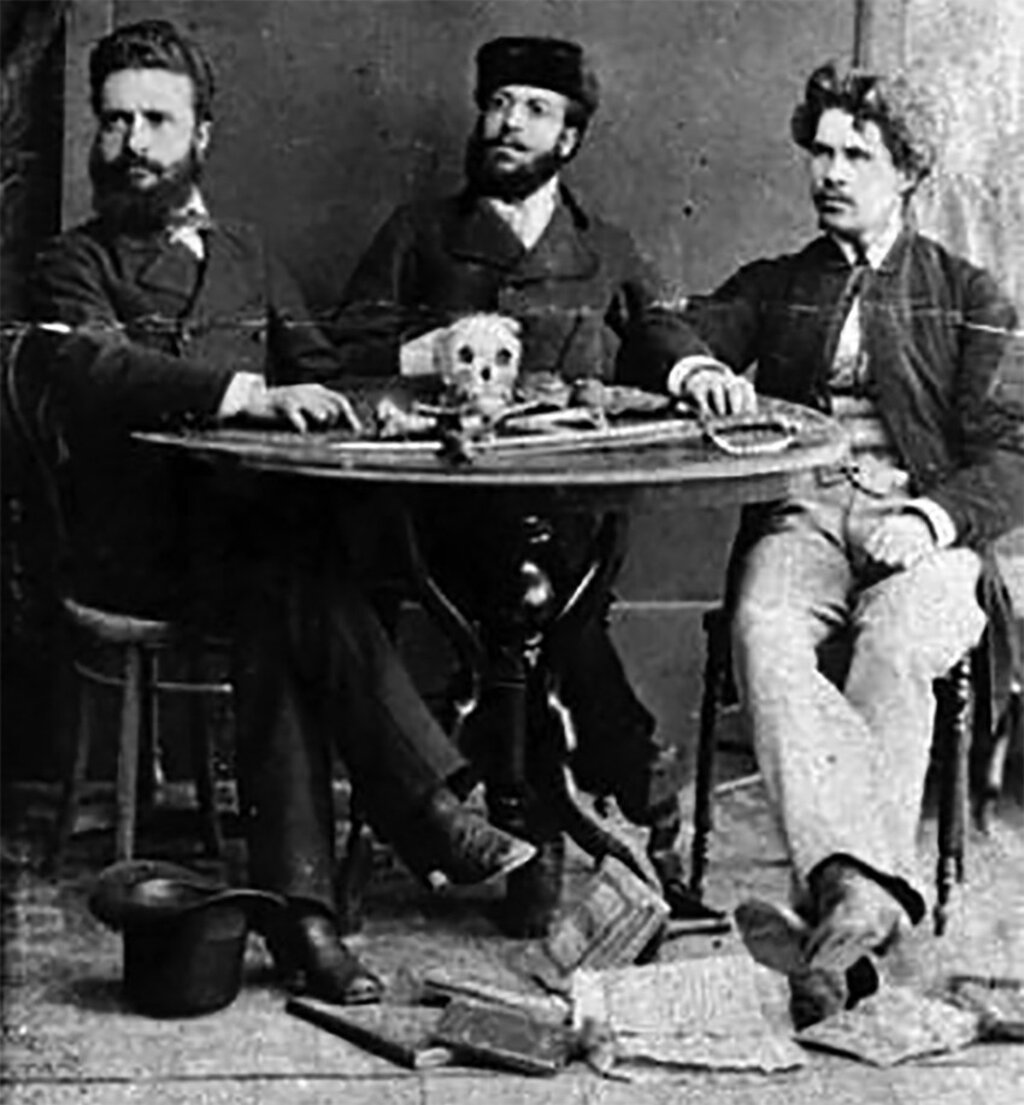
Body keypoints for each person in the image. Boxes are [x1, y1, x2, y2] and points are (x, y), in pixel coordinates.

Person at [28, 19, 539, 1007]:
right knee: (294, 577)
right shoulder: (72, 261)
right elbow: (94, 367)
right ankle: (425, 813)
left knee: (281, 592)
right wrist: (244, 393)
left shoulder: (250, 256)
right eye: (115, 121)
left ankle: (305, 919)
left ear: (201, 136)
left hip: (244, 551)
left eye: (156, 121)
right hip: (131, 550)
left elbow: (321, 370)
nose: (131, 143)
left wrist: (392, 402)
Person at [330, 35, 727, 925]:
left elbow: (657, 328)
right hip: (438, 515)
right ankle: (620, 785)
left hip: (569, 517)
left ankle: (519, 813)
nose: (508, 123)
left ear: (569, 138)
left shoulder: (604, 246)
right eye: (499, 104)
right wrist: (424, 351)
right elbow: (342, 343)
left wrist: (695, 368)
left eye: (535, 110)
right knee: (538, 606)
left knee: (545, 592)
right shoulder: (420, 231)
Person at [672, 61, 1023, 1025]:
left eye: (856, 155)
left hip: (930, 521)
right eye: (820, 152)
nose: (829, 172)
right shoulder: (781, 284)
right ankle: (861, 901)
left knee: (899, 645)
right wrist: (700, 367)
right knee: (764, 628)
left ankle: (839, 906)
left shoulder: (968, 292)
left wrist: (935, 518)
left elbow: (1013, 453)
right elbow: (665, 327)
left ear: (907, 171)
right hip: (807, 510)